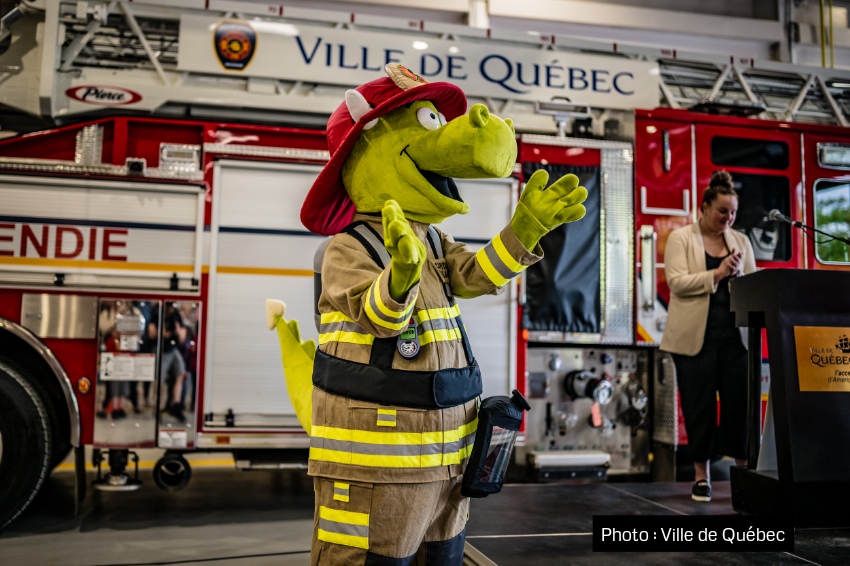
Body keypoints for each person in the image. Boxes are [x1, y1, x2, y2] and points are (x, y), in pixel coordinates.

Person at [660, 170, 757, 503]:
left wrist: (739, 276)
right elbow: (676, 282)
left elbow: (753, 289)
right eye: (722, 211)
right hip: (694, 341)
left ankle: (744, 473)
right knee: (699, 409)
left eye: (732, 212)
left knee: (740, 408)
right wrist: (716, 274)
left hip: (736, 340)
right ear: (703, 207)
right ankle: (702, 477)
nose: (728, 218)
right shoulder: (681, 238)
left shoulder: (741, 242)